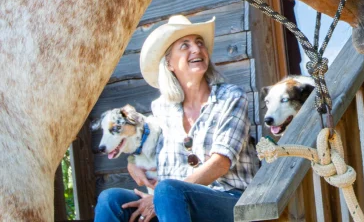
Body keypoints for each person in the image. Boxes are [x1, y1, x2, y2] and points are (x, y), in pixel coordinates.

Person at [95, 15, 260, 222]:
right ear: (169, 63)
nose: (196, 49)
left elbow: (221, 163)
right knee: (111, 199)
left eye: (199, 43)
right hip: (172, 203)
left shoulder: (231, 97)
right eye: (185, 45)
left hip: (232, 200)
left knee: (167, 190)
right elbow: (142, 139)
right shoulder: (162, 108)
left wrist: (160, 196)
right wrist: (132, 163)